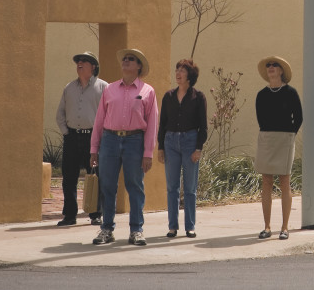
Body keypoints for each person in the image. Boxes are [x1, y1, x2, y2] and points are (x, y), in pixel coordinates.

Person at [90, 48, 158, 246]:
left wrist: (148, 153)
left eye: (131, 59)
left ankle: (136, 230)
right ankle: (106, 229)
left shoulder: (147, 91)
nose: (126, 61)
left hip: (134, 141)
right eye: (125, 59)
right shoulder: (109, 89)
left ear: (139, 66)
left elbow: (152, 124)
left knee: (135, 186)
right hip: (109, 140)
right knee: (107, 186)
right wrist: (94, 148)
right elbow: (99, 120)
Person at [54, 51, 107, 226]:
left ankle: (95, 214)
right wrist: (66, 132)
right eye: (78, 61)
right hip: (71, 137)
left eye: (84, 61)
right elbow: (60, 112)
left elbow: (108, 114)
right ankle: (69, 215)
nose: (80, 63)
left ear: (93, 66)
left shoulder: (103, 87)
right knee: (69, 176)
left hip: (93, 137)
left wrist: (101, 136)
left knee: (94, 176)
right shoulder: (69, 87)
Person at [157, 58, 208, 239]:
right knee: (172, 187)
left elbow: (203, 126)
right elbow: (162, 124)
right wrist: (161, 147)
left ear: (190, 75)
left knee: (190, 188)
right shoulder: (168, 96)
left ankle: (190, 226)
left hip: (190, 142)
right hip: (170, 142)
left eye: (182, 70)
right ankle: (172, 226)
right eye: (177, 69)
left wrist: (198, 148)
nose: (178, 73)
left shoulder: (198, 97)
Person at [255, 55, 302, 240]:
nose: (271, 67)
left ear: (282, 71)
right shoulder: (261, 95)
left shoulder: (291, 92)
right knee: (266, 181)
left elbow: (298, 117)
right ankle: (267, 227)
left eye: (275, 65)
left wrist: (289, 134)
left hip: (285, 139)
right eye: (269, 65)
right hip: (267, 138)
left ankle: (284, 227)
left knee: (284, 181)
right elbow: (260, 119)